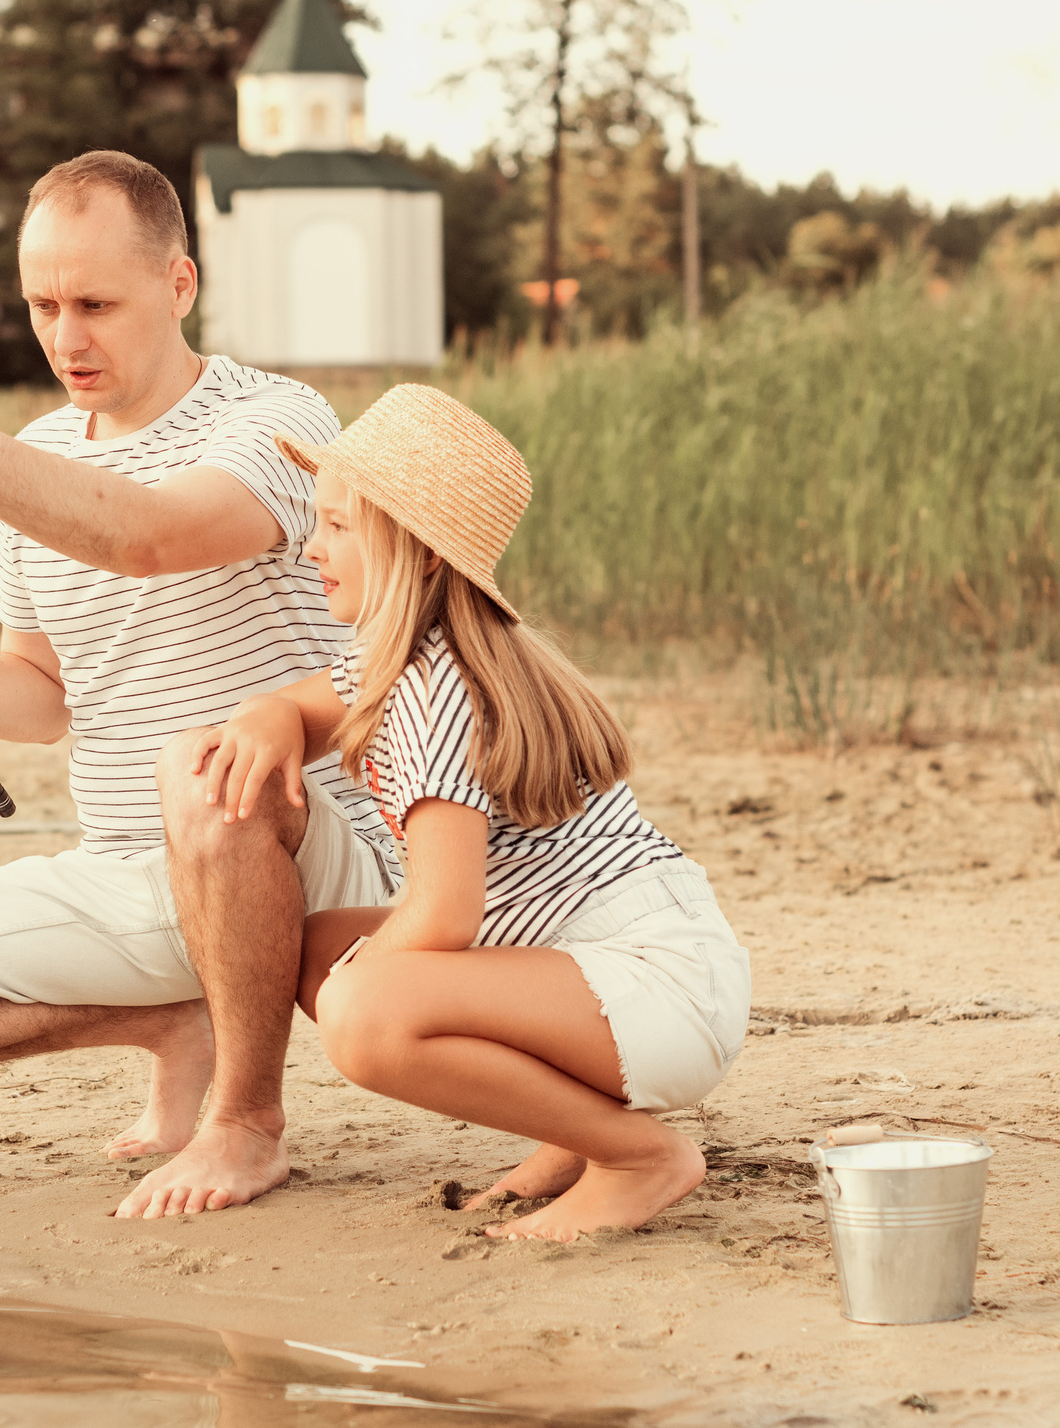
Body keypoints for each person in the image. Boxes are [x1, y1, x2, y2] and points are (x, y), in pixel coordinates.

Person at [0, 150, 393, 1218]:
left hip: (310, 853)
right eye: (43, 305)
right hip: (129, 870)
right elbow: (48, 696)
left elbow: (153, 538)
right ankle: (172, 1018)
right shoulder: (41, 462)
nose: (67, 338)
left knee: (205, 773)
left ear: (180, 285)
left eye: (97, 303)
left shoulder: (277, 420)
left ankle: (246, 1122)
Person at [188, 385, 752, 1241]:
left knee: (362, 1011)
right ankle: (576, 1136)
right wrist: (268, 714)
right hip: (631, 963)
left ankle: (638, 1155)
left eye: (339, 526)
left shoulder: (435, 693)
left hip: (655, 989)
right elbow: (310, 705)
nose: (311, 547)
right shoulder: (423, 652)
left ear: (415, 554)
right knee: (308, 953)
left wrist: (367, 995)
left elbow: (445, 916)